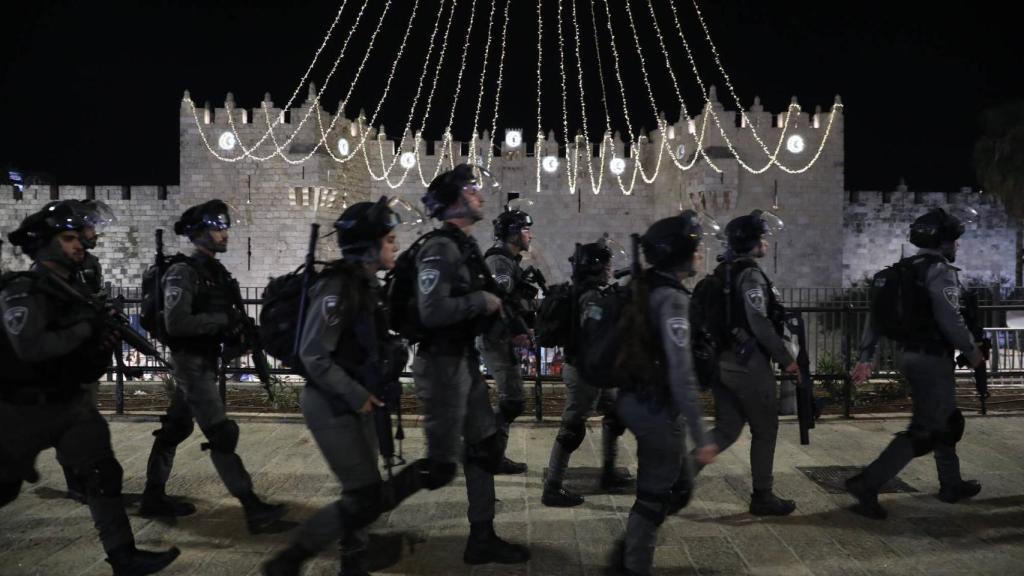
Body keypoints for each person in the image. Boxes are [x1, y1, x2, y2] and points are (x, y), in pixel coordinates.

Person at [1, 203, 180, 575]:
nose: (78, 244)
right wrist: (86, 329)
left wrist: (101, 341)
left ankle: (123, 556)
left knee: (103, 474)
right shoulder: (24, 291)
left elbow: (85, 358)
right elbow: (32, 348)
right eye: (68, 239)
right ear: (45, 244)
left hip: (71, 403)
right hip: (22, 409)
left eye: (77, 237)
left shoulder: (76, 291)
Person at [264, 197, 417, 576]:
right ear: (368, 246)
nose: (395, 246)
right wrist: (356, 394)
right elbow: (313, 354)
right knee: (364, 495)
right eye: (388, 240)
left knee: (362, 491)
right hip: (332, 403)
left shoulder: (365, 285)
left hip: (357, 400)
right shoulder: (338, 287)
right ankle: (290, 559)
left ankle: (354, 559)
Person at [140, 199, 287, 532]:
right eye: (217, 228)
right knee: (222, 435)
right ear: (199, 233)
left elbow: (222, 318)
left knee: (176, 427)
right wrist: (221, 321)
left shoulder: (215, 273)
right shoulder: (183, 272)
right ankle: (252, 508)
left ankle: (152, 495)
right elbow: (177, 323)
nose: (224, 233)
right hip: (190, 363)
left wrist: (238, 334)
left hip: (204, 360)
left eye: (225, 227)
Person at [412, 164, 530, 565]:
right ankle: (362, 506)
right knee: (446, 463)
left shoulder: (464, 246)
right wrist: (480, 302)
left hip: (461, 362)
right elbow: (431, 311)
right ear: (453, 202)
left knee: (483, 448)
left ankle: (482, 536)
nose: (479, 195)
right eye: (470, 190)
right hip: (442, 366)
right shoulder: (440, 248)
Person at [847, 207, 984, 519]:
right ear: (943, 242)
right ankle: (867, 483)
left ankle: (951, 483)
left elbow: (875, 318)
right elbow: (950, 318)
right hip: (931, 358)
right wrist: (972, 350)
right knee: (925, 430)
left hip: (909, 354)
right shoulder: (939, 271)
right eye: (954, 239)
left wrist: (866, 356)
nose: (957, 244)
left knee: (946, 420)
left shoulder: (901, 271)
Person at [614, 212, 717, 575]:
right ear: (679, 254)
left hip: (634, 399)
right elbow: (681, 372)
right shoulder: (672, 299)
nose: (700, 253)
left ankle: (628, 553)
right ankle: (632, 564)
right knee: (657, 495)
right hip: (656, 407)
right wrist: (701, 436)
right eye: (696, 247)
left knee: (666, 488)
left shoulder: (644, 286)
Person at [691, 210, 798, 516]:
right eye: (762, 237)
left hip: (722, 362)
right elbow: (759, 321)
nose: (766, 242)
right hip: (748, 365)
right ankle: (763, 496)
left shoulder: (722, 271)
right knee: (765, 429)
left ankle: (678, 477)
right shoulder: (749, 275)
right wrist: (787, 360)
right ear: (751, 242)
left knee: (727, 429)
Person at [542, 240, 629, 507]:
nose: (610, 270)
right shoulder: (590, 296)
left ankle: (609, 472)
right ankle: (552, 487)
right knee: (572, 429)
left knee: (616, 414)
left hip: (596, 370)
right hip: (584, 373)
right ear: (596, 267)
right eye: (607, 265)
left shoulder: (588, 292)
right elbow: (594, 332)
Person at [60, 198, 116, 503]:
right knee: (72, 420)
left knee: (87, 415)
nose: (96, 233)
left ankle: (86, 476)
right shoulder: (58, 265)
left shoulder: (90, 263)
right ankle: (76, 480)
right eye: (92, 227)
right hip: (66, 354)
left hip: (87, 353)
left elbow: (95, 296)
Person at [480, 208, 539, 475]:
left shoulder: (509, 261)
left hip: (502, 339)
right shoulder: (499, 262)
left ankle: (492, 453)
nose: (530, 235)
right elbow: (498, 303)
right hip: (495, 339)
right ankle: (484, 448)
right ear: (513, 233)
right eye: (526, 230)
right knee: (512, 400)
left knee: (513, 399)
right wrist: (516, 330)